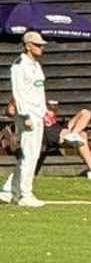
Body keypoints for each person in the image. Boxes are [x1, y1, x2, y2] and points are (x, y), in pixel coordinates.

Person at [5, 98, 91, 180]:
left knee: (85, 112)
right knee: (82, 136)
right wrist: (18, 100)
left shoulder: (38, 99)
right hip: (48, 132)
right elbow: (10, 111)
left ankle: (73, 135)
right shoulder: (23, 102)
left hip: (58, 127)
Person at [2, 31, 49, 207]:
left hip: (38, 115)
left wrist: (44, 112)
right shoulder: (19, 65)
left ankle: (12, 191)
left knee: (32, 155)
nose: (41, 47)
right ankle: (24, 194)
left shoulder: (36, 66)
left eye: (42, 44)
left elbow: (38, 91)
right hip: (27, 117)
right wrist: (26, 115)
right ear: (28, 45)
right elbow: (19, 93)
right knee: (28, 155)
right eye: (37, 45)